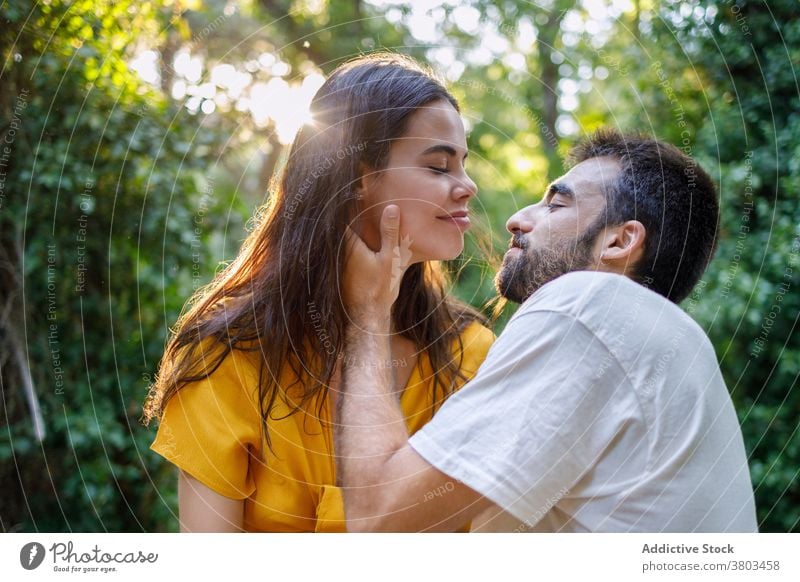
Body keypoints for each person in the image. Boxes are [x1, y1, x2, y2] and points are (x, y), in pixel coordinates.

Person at [337, 129, 758, 532]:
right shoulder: (661, 340)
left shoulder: (586, 305)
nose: (517, 220)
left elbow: (382, 518)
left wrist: (370, 313)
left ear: (619, 241)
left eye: (556, 204)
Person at [142, 53, 495, 532]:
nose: (467, 186)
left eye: (463, 164)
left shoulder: (468, 356)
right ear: (359, 180)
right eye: (438, 166)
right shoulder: (229, 356)